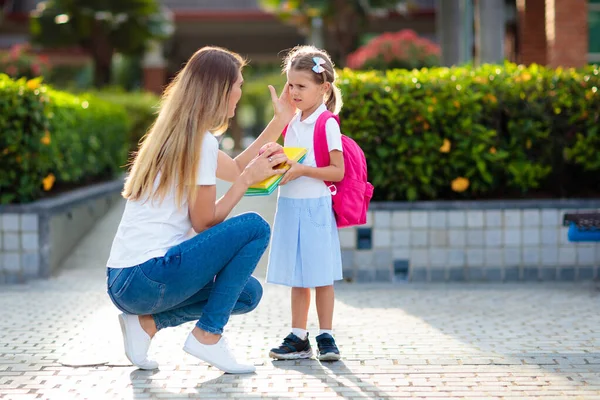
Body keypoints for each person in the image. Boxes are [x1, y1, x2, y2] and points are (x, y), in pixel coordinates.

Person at [105, 46, 295, 374]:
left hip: (124, 281)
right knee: (255, 227)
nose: (240, 91)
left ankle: (146, 325)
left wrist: (279, 121)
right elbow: (205, 221)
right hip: (146, 277)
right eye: (237, 84)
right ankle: (208, 336)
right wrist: (249, 180)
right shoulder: (199, 142)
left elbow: (235, 168)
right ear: (219, 89)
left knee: (247, 293)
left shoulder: (178, 135)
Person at [266, 45, 345, 361]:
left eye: (301, 86)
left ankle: (326, 335)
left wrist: (301, 170)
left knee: (320, 275)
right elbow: (288, 160)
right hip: (289, 205)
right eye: (291, 85)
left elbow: (337, 171)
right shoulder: (292, 121)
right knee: (299, 276)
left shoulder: (327, 123)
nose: (294, 92)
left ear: (323, 88)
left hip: (314, 208)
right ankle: (299, 336)